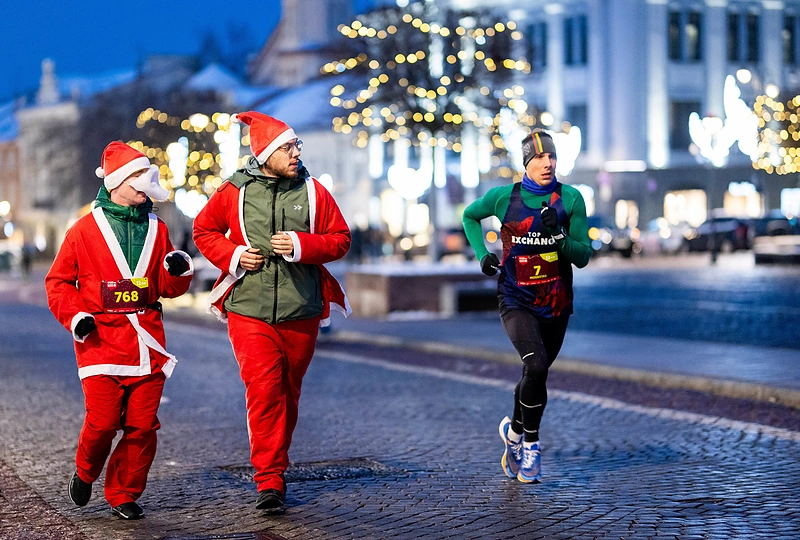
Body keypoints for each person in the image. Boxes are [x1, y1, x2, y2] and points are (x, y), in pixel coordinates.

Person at [193, 111, 351, 512]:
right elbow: (203, 231)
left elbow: (340, 239)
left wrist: (302, 245)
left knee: (288, 392)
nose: (296, 153)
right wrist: (233, 255)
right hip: (249, 308)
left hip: (302, 309)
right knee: (264, 390)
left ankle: (275, 461)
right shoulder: (234, 190)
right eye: (287, 148)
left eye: (297, 146)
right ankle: (269, 478)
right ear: (265, 154)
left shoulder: (314, 191)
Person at [45, 141, 194, 519]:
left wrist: (177, 272)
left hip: (147, 341)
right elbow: (58, 283)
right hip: (100, 341)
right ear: (118, 182)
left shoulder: (157, 228)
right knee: (103, 422)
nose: (145, 188)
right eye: (138, 179)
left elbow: (165, 286)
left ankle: (124, 493)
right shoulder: (83, 230)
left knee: (142, 427)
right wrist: (76, 317)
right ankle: (85, 471)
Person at [462, 130, 591, 483]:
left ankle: (515, 433)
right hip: (515, 298)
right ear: (526, 163)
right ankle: (532, 446)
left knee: (536, 373)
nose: (547, 163)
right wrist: (482, 255)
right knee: (535, 365)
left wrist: (559, 235)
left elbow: (583, 256)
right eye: (539, 157)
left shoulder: (571, 199)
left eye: (552, 156)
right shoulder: (504, 197)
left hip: (556, 302)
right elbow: (470, 216)